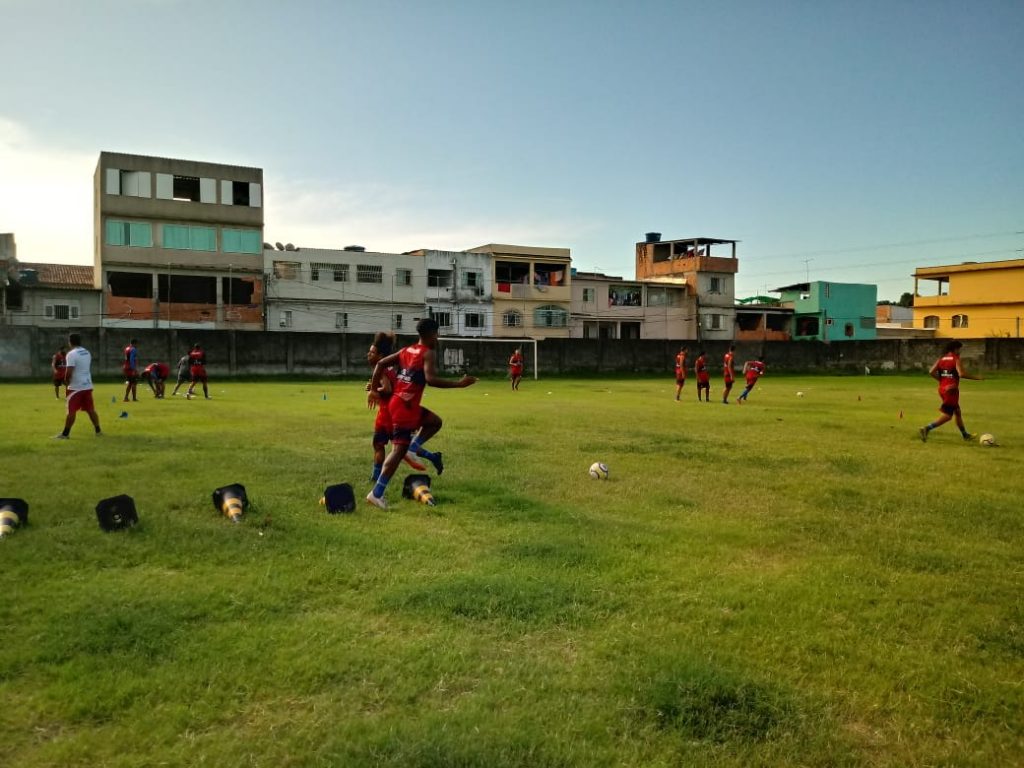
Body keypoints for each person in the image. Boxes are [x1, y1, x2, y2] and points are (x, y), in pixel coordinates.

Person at [365, 317, 477, 509]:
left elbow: (381, 363)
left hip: (399, 404)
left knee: (434, 421)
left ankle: (412, 447)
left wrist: (374, 389)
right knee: (398, 451)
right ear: (433, 334)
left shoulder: (406, 350)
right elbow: (431, 379)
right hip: (405, 406)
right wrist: (459, 384)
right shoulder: (428, 353)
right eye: (438, 334)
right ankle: (377, 493)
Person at [366, 331, 427, 481]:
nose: (368, 354)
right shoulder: (388, 368)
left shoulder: (380, 370)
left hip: (386, 414)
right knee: (402, 446)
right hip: (394, 412)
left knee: (379, 445)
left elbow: (387, 389)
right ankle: (432, 456)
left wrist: (374, 390)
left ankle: (375, 478)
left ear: (380, 356)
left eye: (372, 352)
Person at [919, 340, 982, 442]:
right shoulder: (955, 359)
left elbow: (931, 371)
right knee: (948, 416)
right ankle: (927, 428)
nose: (960, 351)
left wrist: (942, 381)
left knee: (957, 412)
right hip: (951, 390)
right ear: (955, 349)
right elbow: (961, 374)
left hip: (942, 389)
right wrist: (976, 378)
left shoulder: (942, 358)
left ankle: (965, 435)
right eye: (959, 349)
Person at [54, 332, 101, 439]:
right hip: (87, 385)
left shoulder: (71, 354)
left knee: (71, 411)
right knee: (90, 409)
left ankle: (65, 434)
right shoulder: (86, 352)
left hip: (76, 387)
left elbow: (69, 370)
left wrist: (66, 381)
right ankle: (98, 430)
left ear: (70, 342)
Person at [122, 338, 139, 402]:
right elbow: (131, 359)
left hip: (126, 367)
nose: (137, 345)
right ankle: (134, 398)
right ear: (135, 343)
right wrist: (134, 369)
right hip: (130, 368)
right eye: (137, 344)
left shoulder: (127, 349)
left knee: (130, 383)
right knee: (134, 382)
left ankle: (126, 397)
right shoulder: (133, 349)